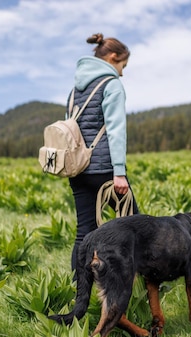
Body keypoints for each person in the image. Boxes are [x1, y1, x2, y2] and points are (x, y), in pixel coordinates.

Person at [67, 33, 139, 270]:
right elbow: (116, 131)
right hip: (106, 170)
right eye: (123, 66)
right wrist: (119, 172)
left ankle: (80, 295)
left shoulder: (75, 89)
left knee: (84, 233)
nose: (122, 72)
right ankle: (140, 285)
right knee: (134, 226)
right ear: (112, 57)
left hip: (78, 170)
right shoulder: (112, 85)